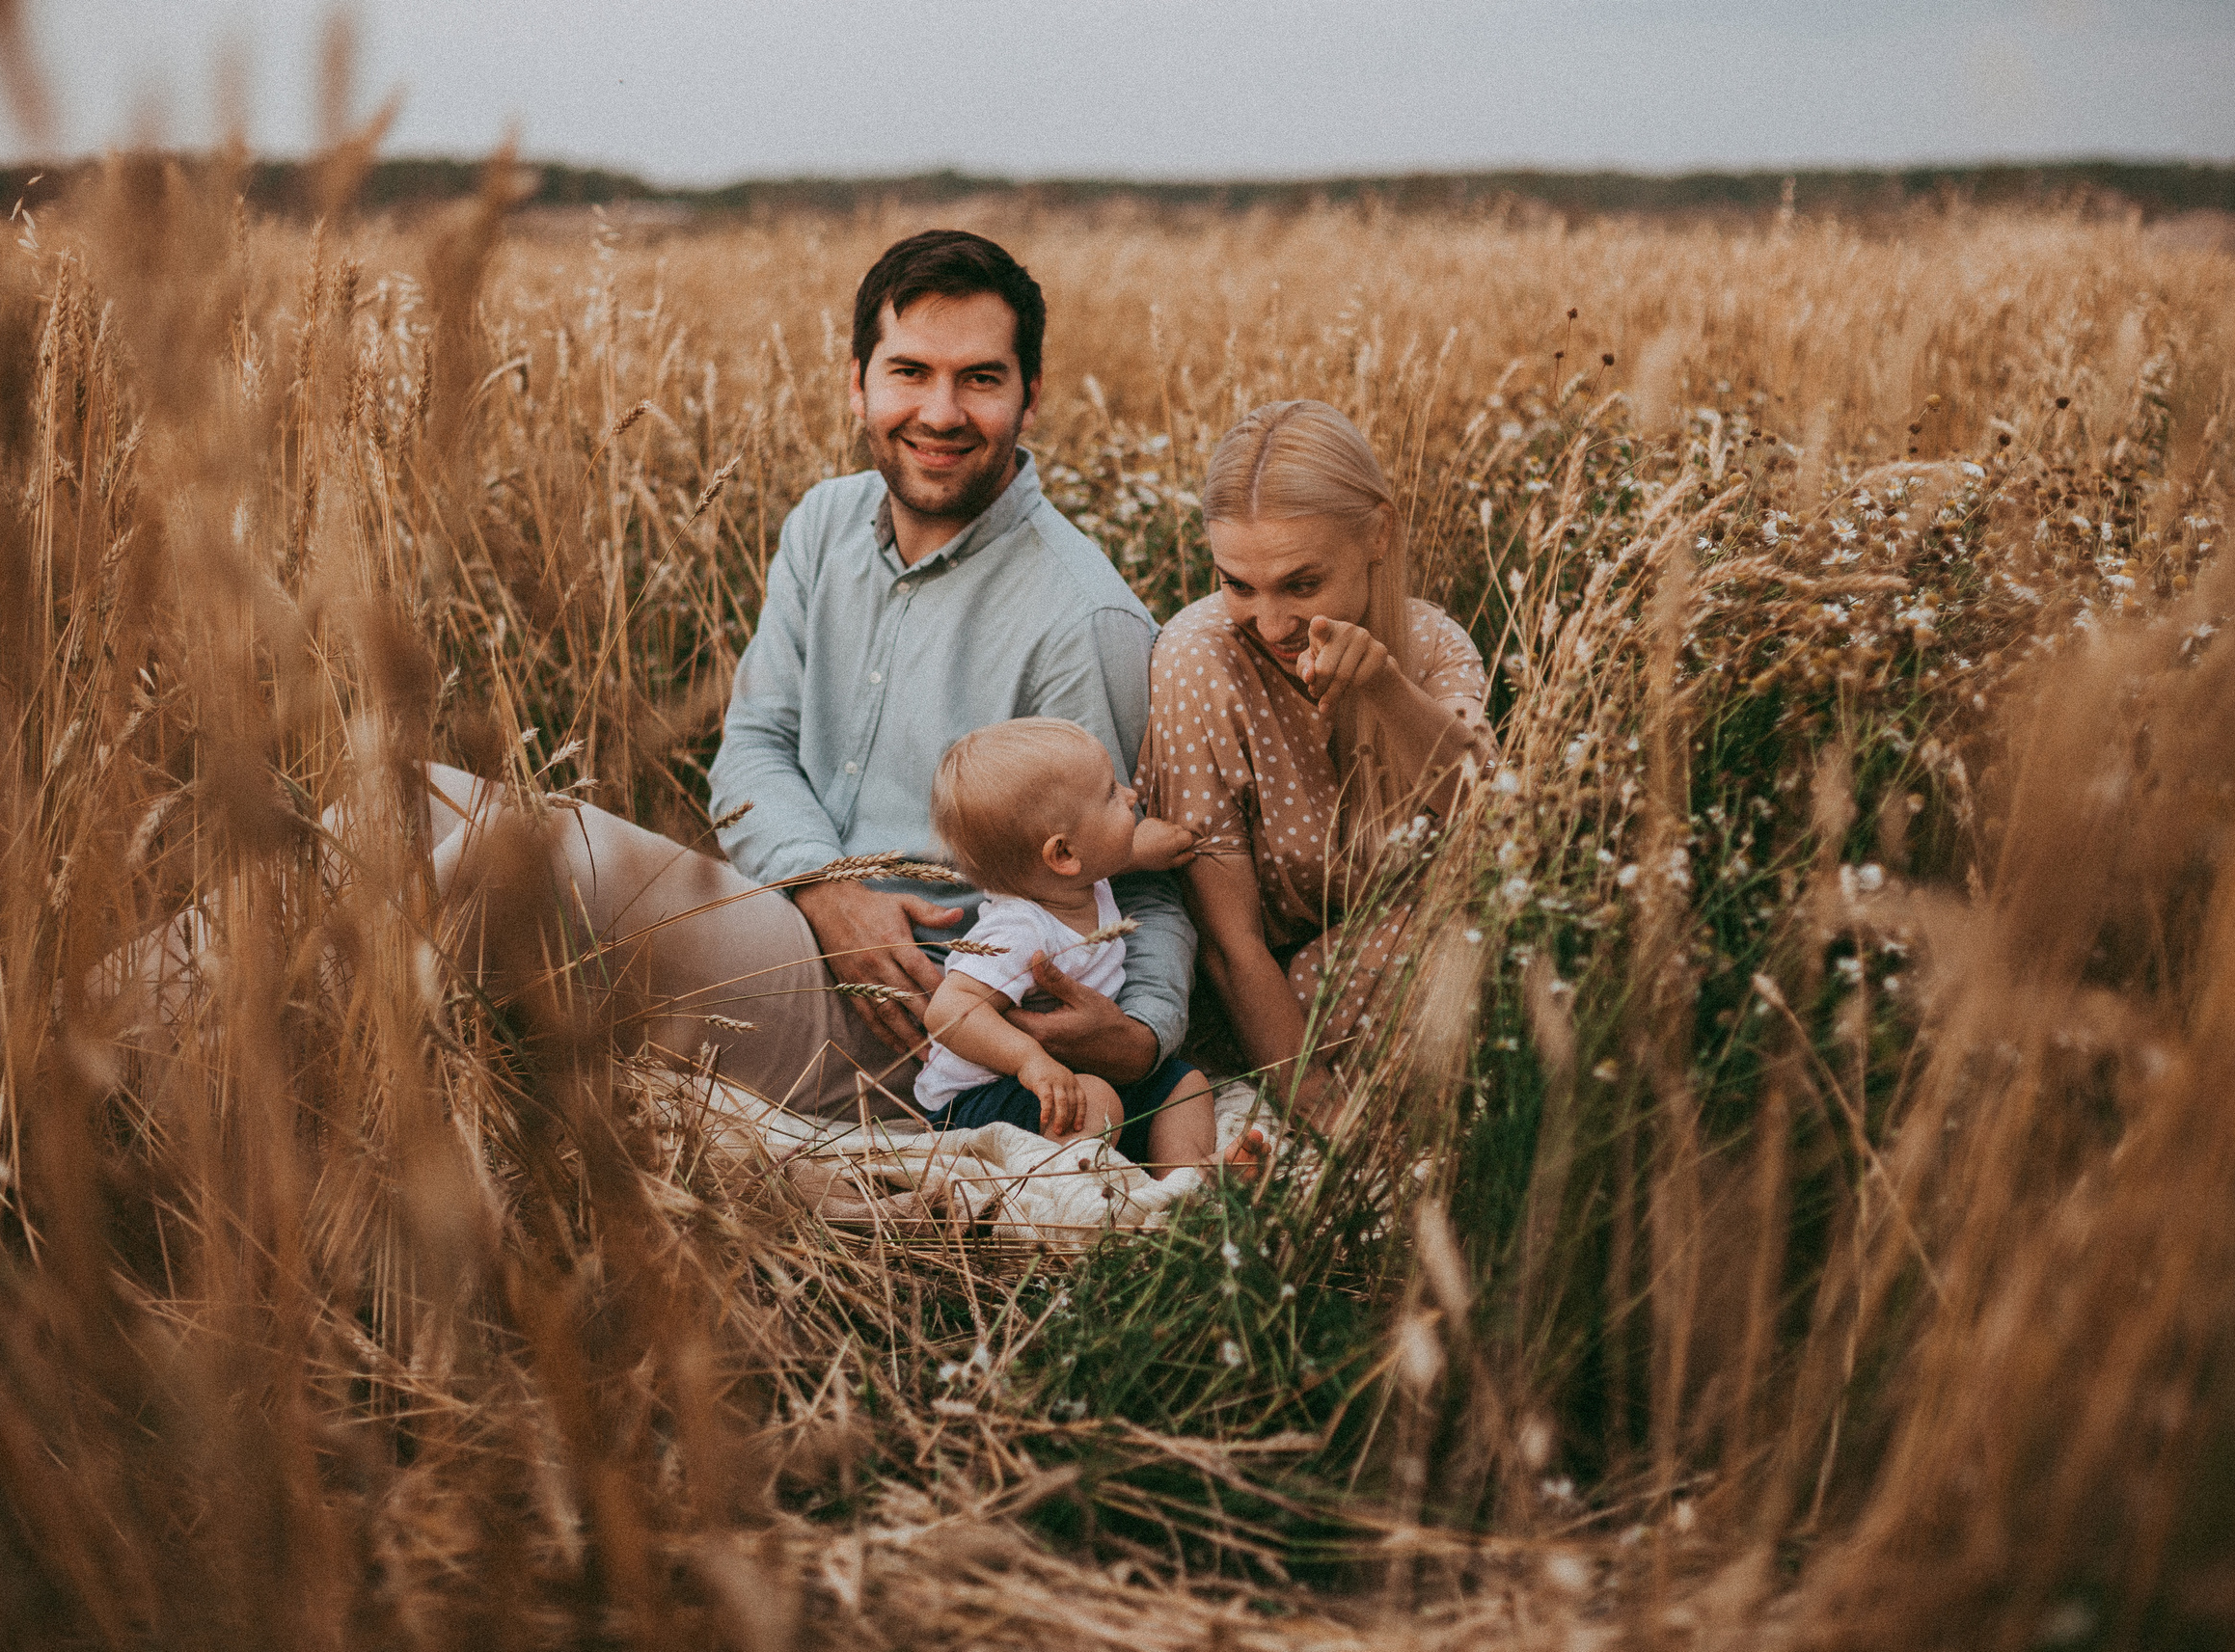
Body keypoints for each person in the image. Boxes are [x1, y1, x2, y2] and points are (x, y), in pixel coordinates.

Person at [433, 231, 1195, 1115]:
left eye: (980, 379)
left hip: (916, 1029)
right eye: (910, 371)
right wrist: (825, 890)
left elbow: (1136, 876)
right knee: (396, 802)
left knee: (525, 846)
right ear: (858, 384)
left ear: (1029, 401)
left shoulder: (1080, 617)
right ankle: (257, 1053)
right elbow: (755, 745)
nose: (941, 412)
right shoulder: (824, 525)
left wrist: (1141, 1039)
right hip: (783, 917)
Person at [1137, 400, 1494, 1117]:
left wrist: (1385, 688)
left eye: (1302, 584)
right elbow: (1227, 945)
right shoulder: (1199, 656)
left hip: (1390, 984)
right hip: (1255, 1018)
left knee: (1472, 928)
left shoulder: (1433, 646)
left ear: (1378, 534)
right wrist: (1325, 1110)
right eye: (1238, 584)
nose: (1270, 624)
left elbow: (1492, 825)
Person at [913, 718, 1256, 1177]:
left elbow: (1098, 860)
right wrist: (1029, 1061)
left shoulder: (1079, 885)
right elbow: (947, 1011)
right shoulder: (1019, 930)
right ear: (1063, 855)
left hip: (1062, 1084)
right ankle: (1099, 1203)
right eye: (1112, 794)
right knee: (1095, 1101)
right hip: (976, 1101)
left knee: (1186, 1084)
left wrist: (1141, 852)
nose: (1131, 794)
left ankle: (1186, 1179)